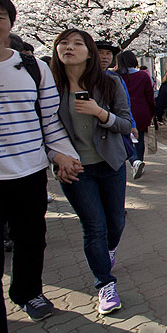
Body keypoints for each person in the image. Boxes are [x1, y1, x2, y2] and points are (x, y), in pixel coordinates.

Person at [0, 0, 82, 333]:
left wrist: (62, 154)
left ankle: (27, 292)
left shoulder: (33, 68)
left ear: (10, 23)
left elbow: (49, 120)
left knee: (31, 239)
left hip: (29, 172)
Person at [52, 29, 132, 316]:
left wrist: (100, 112)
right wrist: (56, 157)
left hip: (110, 164)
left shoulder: (110, 83)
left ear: (89, 53)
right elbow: (43, 130)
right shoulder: (49, 86)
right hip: (75, 169)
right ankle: (105, 284)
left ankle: (107, 251)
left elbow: (125, 123)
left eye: (77, 43)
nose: (69, 47)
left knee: (116, 222)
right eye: (63, 43)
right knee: (94, 227)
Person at [96, 41, 143, 180]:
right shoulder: (78, 78)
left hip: (112, 126)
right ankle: (135, 160)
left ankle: (134, 160)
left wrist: (131, 124)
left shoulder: (115, 79)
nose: (105, 57)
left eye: (108, 53)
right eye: (100, 53)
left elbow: (125, 104)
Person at [115, 51, 156, 179]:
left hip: (122, 112)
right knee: (139, 138)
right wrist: (152, 112)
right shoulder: (143, 76)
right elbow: (150, 95)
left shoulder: (116, 77)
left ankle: (134, 161)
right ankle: (139, 161)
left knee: (125, 139)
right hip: (141, 111)